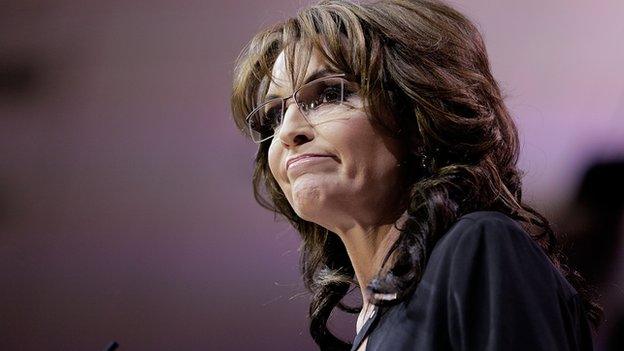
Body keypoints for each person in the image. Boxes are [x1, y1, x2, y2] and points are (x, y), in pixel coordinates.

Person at [229, 0, 602, 350]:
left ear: (418, 117)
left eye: (329, 94)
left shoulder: (480, 245)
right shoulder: (374, 322)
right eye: (275, 113)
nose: (289, 130)